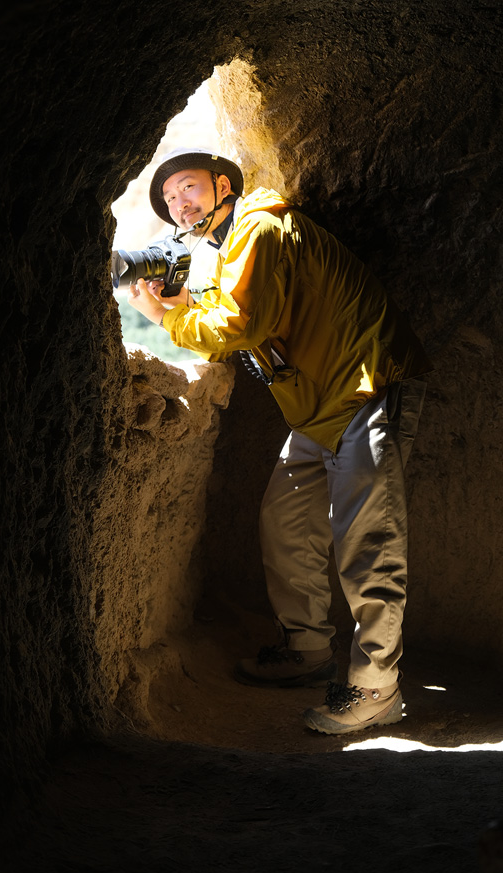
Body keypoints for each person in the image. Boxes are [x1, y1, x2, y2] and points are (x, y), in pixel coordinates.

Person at [127, 147, 432, 735]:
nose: (178, 204)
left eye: (186, 188)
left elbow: (239, 325)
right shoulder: (224, 249)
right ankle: (307, 649)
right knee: (285, 521)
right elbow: (231, 319)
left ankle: (376, 689)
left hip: (364, 388)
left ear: (222, 186)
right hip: (318, 407)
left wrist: (162, 318)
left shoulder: (260, 228)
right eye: (168, 200)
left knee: (368, 545)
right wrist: (182, 298)